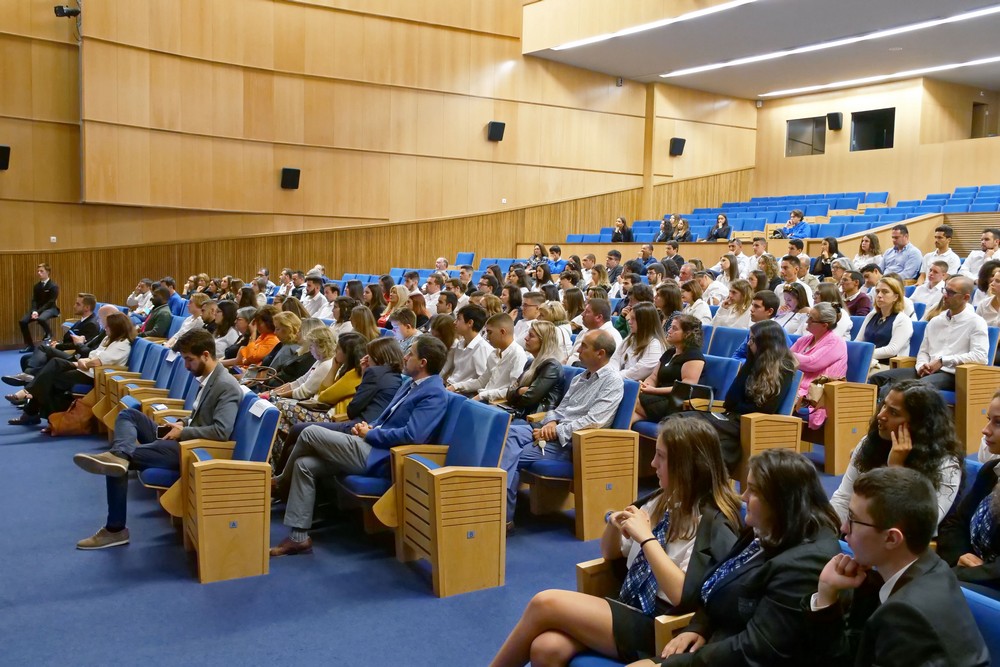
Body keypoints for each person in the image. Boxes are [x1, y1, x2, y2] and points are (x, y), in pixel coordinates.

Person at [489, 417, 742, 666]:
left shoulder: (714, 524)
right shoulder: (663, 499)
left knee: (545, 603)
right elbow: (609, 554)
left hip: (663, 623)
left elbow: (681, 596)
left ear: (687, 465)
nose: (653, 463)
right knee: (547, 648)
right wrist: (614, 526)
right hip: (629, 602)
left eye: (661, 457)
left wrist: (646, 538)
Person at [652, 449, 841, 666]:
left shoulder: (805, 563)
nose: (743, 498)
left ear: (780, 500)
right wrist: (699, 626)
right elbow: (720, 582)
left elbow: (756, 650)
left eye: (752, 490)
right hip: (716, 644)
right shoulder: (770, 525)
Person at [270, 336, 450, 556]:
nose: (405, 356)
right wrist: (369, 426)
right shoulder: (411, 384)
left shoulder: (434, 393)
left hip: (383, 456)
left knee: (309, 433)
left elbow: (413, 435)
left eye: (410, 353)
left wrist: (372, 434)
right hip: (370, 444)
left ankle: (279, 482)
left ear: (422, 362)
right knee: (305, 464)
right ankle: (299, 538)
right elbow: (386, 417)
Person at [72, 329, 243, 549]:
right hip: (182, 437)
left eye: (189, 360)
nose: (186, 366)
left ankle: (115, 529)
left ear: (206, 355)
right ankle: (121, 453)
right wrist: (183, 424)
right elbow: (202, 415)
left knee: (113, 465)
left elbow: (221, 431)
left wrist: (184, 432)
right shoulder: (210, 378)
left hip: (189, 450)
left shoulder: (226, 385)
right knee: (128, 414)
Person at [808, 467, 989, 666]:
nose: (843, 528)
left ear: (892, 538)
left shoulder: (904, 616)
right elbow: (857, 651)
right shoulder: (933, 566)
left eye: (853, 519)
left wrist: (825, 597)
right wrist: (834, 591)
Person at [502, 330, 624, 521]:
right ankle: (499, 512)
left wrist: (553, 431)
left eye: (584, 346)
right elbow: (560, 409)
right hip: (550, 430)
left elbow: (594, 421)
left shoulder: (613, 382)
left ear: (600, 353)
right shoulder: (580, 378)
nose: (578, 350)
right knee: (504, 436)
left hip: (570, 444)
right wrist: (550, 421)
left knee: (508, 454)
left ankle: (502, 517)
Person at [271, 336, 404, 490]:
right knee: (297, 450)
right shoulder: (394, 375)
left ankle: (279, 480)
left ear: (377, 356)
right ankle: (281, 486)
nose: (366, 358)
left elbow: (352, 409)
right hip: (364, 425)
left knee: (302, 431)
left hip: (357, 426)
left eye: (369, 355)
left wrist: (365, 372)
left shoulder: (373, 373)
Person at [829, 380, 963, 527]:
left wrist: (896, 470)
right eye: (884, 405)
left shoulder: (946, 464)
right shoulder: (871, 442)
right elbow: (843, 499)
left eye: (893, 412)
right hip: (859, 532)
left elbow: (923, 527)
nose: (881, 415)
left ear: (919, 424)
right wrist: (829, 529)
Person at [682, 320, 797, 473]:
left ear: (766, 343)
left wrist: (737, 406)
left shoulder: (784, 370)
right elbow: (729, 400)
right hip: (733, 417)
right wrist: (750, 362)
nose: (749, 344)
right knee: (681, 420)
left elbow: (767, 409)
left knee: (695, 430)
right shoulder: (754, 363)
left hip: (754, 423)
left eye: (753, 340)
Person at [10, 311, 136, 426]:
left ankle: (31, 400)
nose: (105, 328)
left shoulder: (122, 345)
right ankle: (39, 411)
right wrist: (85, 361)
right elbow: (93, 354)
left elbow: (98, 361)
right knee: (53, 366)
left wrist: (85, 362)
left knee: (49, 378)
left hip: (95, 376)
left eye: (108, 326)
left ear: (117, 328)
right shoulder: (109, 339)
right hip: (86, 370)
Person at [869, 276, 988, 396]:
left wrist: (943, 361)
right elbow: (924, 351)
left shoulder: (976, 322)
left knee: (914, 388)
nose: (945, 295)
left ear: (966, 297)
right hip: (927, 370)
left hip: (953, 374)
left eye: (951, 293)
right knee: (878, 378)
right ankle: (881, 413)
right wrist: (921, 366)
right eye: (945, 290)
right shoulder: (936, 321)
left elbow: (980, 356)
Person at [939, 389, 1000, 597]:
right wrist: (959, 558)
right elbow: (956, 522)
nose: (985, 430)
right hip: (971, 576)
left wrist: (959, 574)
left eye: (997, 422)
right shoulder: (991, 471)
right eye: (988, 420)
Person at [9, 292, 101, 381]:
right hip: (66, 350)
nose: (74, 306)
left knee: (42, 348)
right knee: (25, 358)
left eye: (77, 304)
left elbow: (79, 346)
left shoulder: (91, 324)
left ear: (87, 308)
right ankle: (29, 387)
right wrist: (58, 343)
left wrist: (57, 346)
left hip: (73, 356)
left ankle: (28, 374)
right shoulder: (83, 319)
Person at [634, 315, 705, 423]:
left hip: (675, 403)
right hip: (656, 397)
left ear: (688, 334)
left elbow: (685, 387)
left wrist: (653, 390)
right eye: (670, 327)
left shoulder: (694, 356)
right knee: (631, 413)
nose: (669, 330)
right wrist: (646, 386)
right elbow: (653, 377)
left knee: (630, 400)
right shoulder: (670, 352)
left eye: (674, 328)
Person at [791, 302, 848, 429]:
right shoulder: (804, 340)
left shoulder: (836, 342)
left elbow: (811, 363)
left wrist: (784, 354)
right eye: (808, 316)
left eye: (811, 319)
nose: (807, 321)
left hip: (817, 395)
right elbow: (785, 360)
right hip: (795, 388)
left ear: (824, 325)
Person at [450, 313, 526, 402]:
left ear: (502, 332)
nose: (487, 337)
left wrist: (482, 395)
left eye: (490, 332)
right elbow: (481, 382)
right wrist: (455, 386)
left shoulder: (518, 354)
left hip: (496, 404)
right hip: (484, 398)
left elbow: (512, 390)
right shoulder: (494, 353)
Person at [503, 320, 564, 420]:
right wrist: (520, 391)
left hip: (534, 419)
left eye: (531, 336)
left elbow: (528, 399)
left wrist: (516, 391)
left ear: (543, 341)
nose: (526, 338)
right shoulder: (530, 362)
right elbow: (509, 392)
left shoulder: (552, 366)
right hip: (519, 412)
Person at [855, 277, 913, 371]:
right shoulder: (871, 315)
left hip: (888, 366)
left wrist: (864, 352)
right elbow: (858, 340)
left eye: (885, 292)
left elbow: (892, 350)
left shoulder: (903, 319)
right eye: (877, 291)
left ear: (896, 297)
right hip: (866, 360)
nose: (879, 295)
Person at [612, 302, 667, 382]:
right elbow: (615, 359)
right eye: (630, 318)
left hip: (634, 387)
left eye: (633, 319)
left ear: (645, 321)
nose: (629, 322)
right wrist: (611, 373)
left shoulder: (655, 344)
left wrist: (615, 376)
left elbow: (639, 371)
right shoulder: (630, 338)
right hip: (618, 380)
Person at [442, 305, 491, 387]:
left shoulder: (482, 348)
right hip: (449, 386)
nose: (454, 322)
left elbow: (483, 381)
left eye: (458, 319)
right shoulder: (460, 344)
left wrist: (457, 387)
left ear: (470, 323)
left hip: (462, 393)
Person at [566, 299, 623, 365]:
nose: (582, 314)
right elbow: (570, 356)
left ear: (599, 317)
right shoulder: (584, 331)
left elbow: (607, 366)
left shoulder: (612, 337)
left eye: (587, 312)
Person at [18, 262, 59, 352]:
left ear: (48, 272)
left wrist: (38, 312)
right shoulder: (36, 286)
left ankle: (49, 333)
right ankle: (30, 345)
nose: (39, 273)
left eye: (41, 271)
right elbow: (34, 300)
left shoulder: (53, 286)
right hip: (37, 310)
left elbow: (50, 302)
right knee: (23, 321)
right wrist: (33, 311)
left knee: (41, 319)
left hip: (51, 309)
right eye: (38, 271)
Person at [732, 291, 783, 361]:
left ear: (769, 311)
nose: (751, 309)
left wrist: (750, 365)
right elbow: (737, 355)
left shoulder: (779, 332)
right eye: (752, 305)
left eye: (756, 306)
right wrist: (748, 364)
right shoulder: (754, 329)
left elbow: (778, 361)